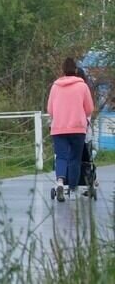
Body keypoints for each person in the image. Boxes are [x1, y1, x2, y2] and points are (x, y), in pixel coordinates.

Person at [47, 57, 94, 202]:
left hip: (59, 128)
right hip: (78, 129)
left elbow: (50, 109)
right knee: (75, 158)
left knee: (61, 157)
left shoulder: (55, 86)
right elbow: (89, 109)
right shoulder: (82, 86)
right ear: (75, 70)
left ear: (63, 70)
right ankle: (72, 188)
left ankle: (60, 182)